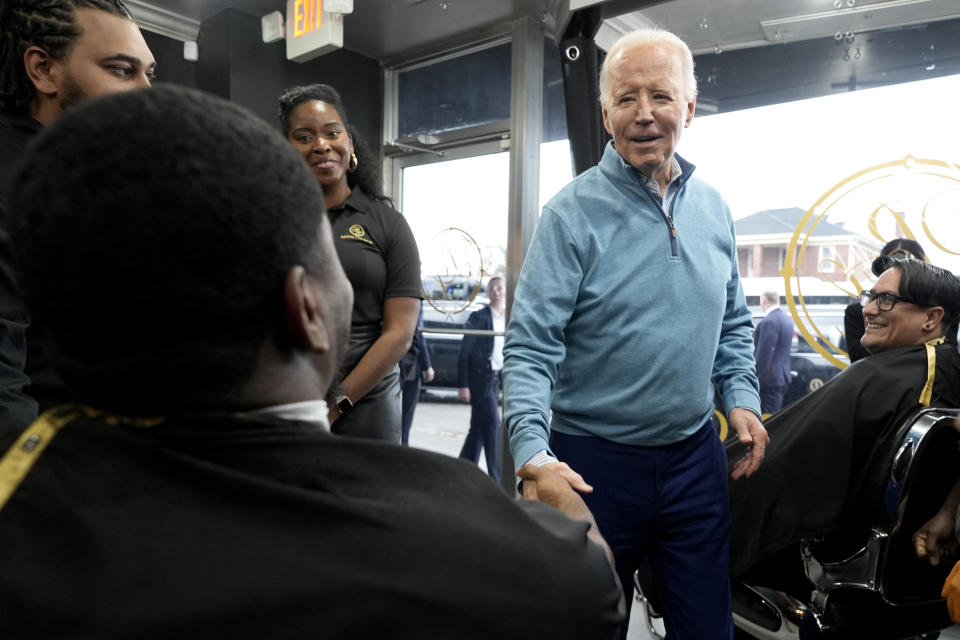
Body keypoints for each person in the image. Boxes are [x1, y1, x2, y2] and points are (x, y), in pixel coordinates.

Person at [0, 85, 626, 638]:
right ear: (304, 307)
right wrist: (554, 492)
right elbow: (592, 585)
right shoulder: (466, 538)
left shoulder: (25, 512)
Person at [503, 27, 768, 639]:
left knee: (707, 629)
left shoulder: (715, 209)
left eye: (661, 96)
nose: (644, 113)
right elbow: (529, 349)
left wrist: (743, 399)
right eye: (626, 98)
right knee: (582, 625)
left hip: (694, 458)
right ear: (605, 115)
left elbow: (731, 321)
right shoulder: (570, 216)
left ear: (690, 109)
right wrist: (531, 453)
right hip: (591, 464)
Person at [729, 258, 960, 580]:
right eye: (871, 296)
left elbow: (784, 464)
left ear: (932, 318)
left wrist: (715, 476)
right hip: (907, 563)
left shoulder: (880, 377)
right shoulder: (942, 369)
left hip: (849, 553)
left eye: (887, 300)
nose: (867, 310)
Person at [0, 0, 155, 431]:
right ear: (44, 70)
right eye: (123, 71)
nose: (146, 92)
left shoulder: (93, 172)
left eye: (149, 73)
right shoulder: (12, 177)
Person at [278, 84, 421, 442]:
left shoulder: (388, 224)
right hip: (292, 397)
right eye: (304, 136)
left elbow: (399, 333)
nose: (322, 145)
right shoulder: (273, 222)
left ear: (350, 143)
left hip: (369, 401)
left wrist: (336, 403)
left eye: (332, 132)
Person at [845, 238, 926, 363]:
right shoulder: (858, 312)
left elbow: (940, 360)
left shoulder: (934, 310)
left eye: (908, 266)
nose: (898, 274)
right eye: (890, 267)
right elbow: (860, 362)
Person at [457, 276, 505, 481]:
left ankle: (462, 470)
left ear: (505, 292)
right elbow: (464, 353)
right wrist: (464, 385)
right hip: (480, 380)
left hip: (497, 380)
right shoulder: (479, 317)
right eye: (492, 289)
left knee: (477, 428)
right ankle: (496, 479)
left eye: (499, 288)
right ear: (487, 293)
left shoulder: (509, 316)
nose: (495, 292)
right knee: (493, 424)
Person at [753, 290, 794, 415]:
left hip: (768, 379)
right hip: (782, 376)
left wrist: (754, 375)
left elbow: (764, 354)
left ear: (764, 302)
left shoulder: (769, 322)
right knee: (775, 415)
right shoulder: (786, 319)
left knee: (767, 418)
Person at [399, 304, 434, 445]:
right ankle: (403, 446)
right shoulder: (415, 303)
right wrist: (427, 365)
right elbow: (419, 336)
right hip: (409, 366)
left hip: (401, 365)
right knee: (406, 416)